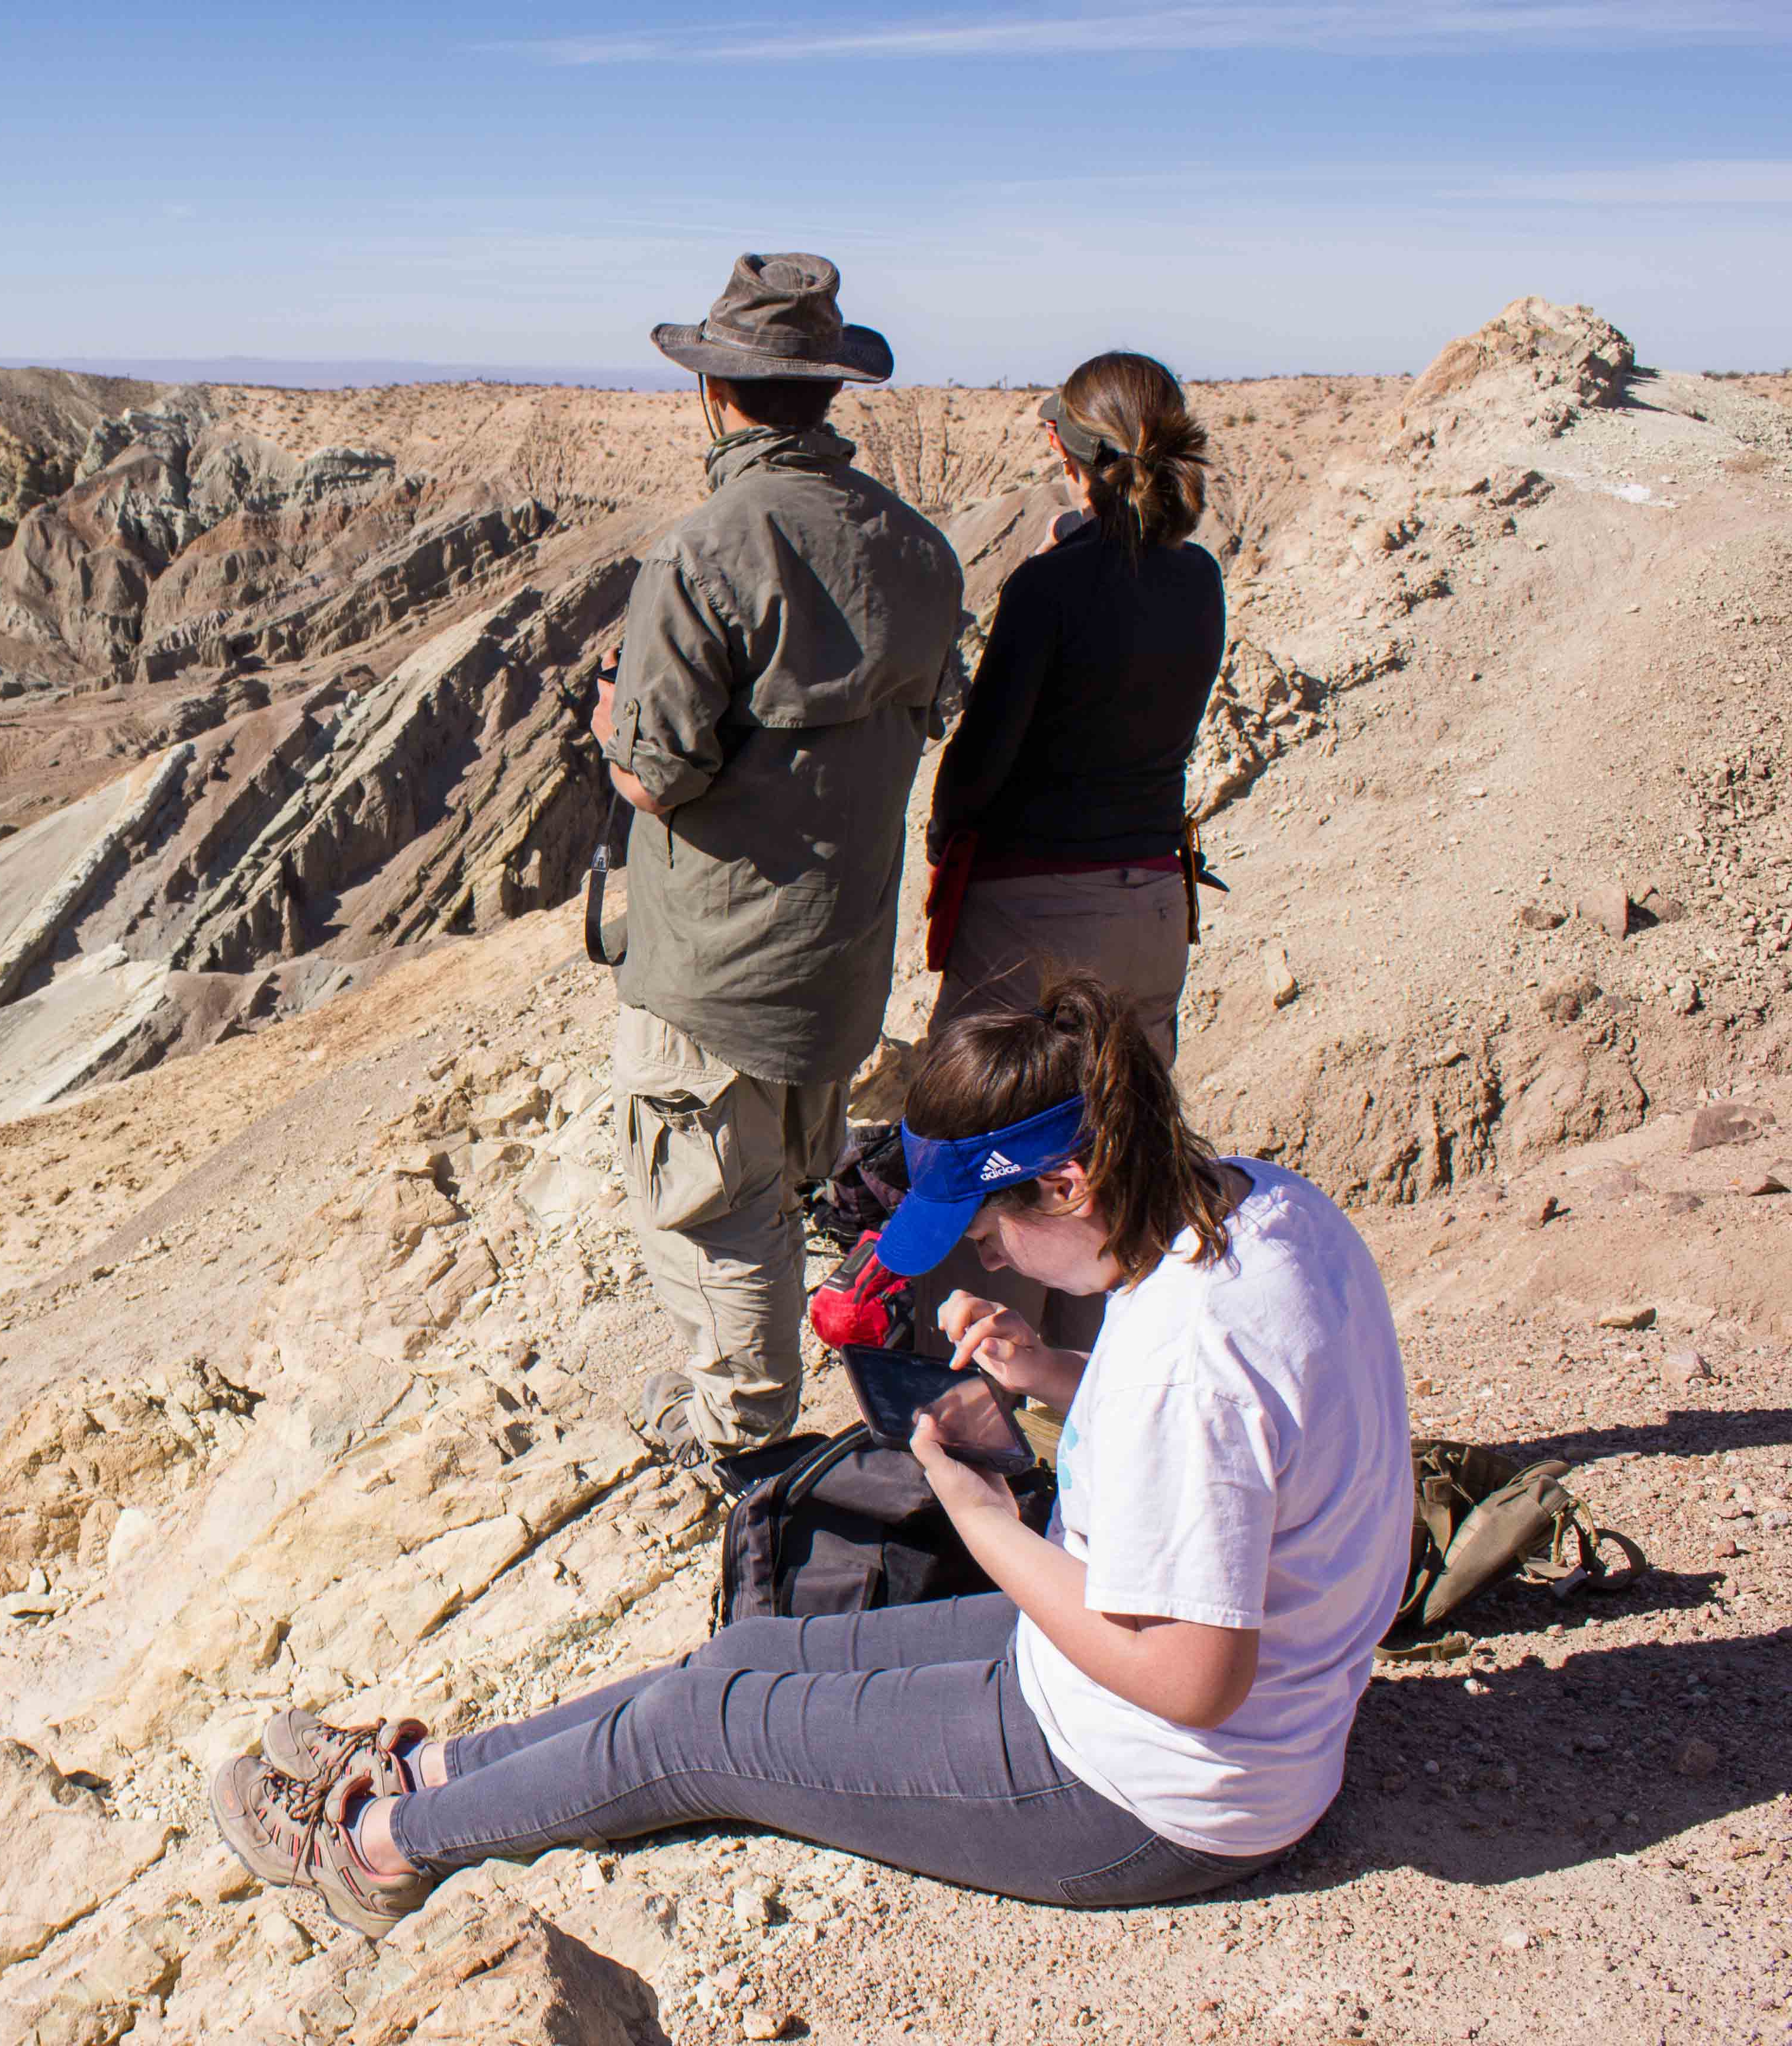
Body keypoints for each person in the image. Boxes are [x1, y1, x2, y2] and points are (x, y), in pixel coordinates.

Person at [207, 974, 1411, 1935]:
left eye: (994, 1226)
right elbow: (1243, 1444)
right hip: (1139, 1709)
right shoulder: (1262, 1210)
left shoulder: (1186, 1358)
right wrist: (1048, 1378)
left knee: (701, 1733)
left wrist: (981, 1519)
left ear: (1070, 1179)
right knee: (752, 1651)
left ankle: (372, 1850)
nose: (989, 1259)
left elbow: (1196, 1679)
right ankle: (434, 1771)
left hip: (1154, 1796)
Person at [593, 252, 963, 1475]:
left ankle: (741, 1430)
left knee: (716, 1203)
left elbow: (660, 773)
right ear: (826, 394)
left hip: (717, 963)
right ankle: (741, 1384)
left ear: (717, 394)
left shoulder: (703, 553)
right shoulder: (919, 551)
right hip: (841, 954)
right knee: (779, 1175)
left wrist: (610, 734)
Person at [914, 350, 1225, 1350]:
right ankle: (1104, 1382)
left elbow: (983, 758)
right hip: (1152, 909)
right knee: (1117, 1150)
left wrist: (941, 829)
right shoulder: (1199, 580)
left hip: (1036, 915)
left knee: (993, 1148)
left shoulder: (1051, 587)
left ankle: (972, 1400)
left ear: (1065, 449)